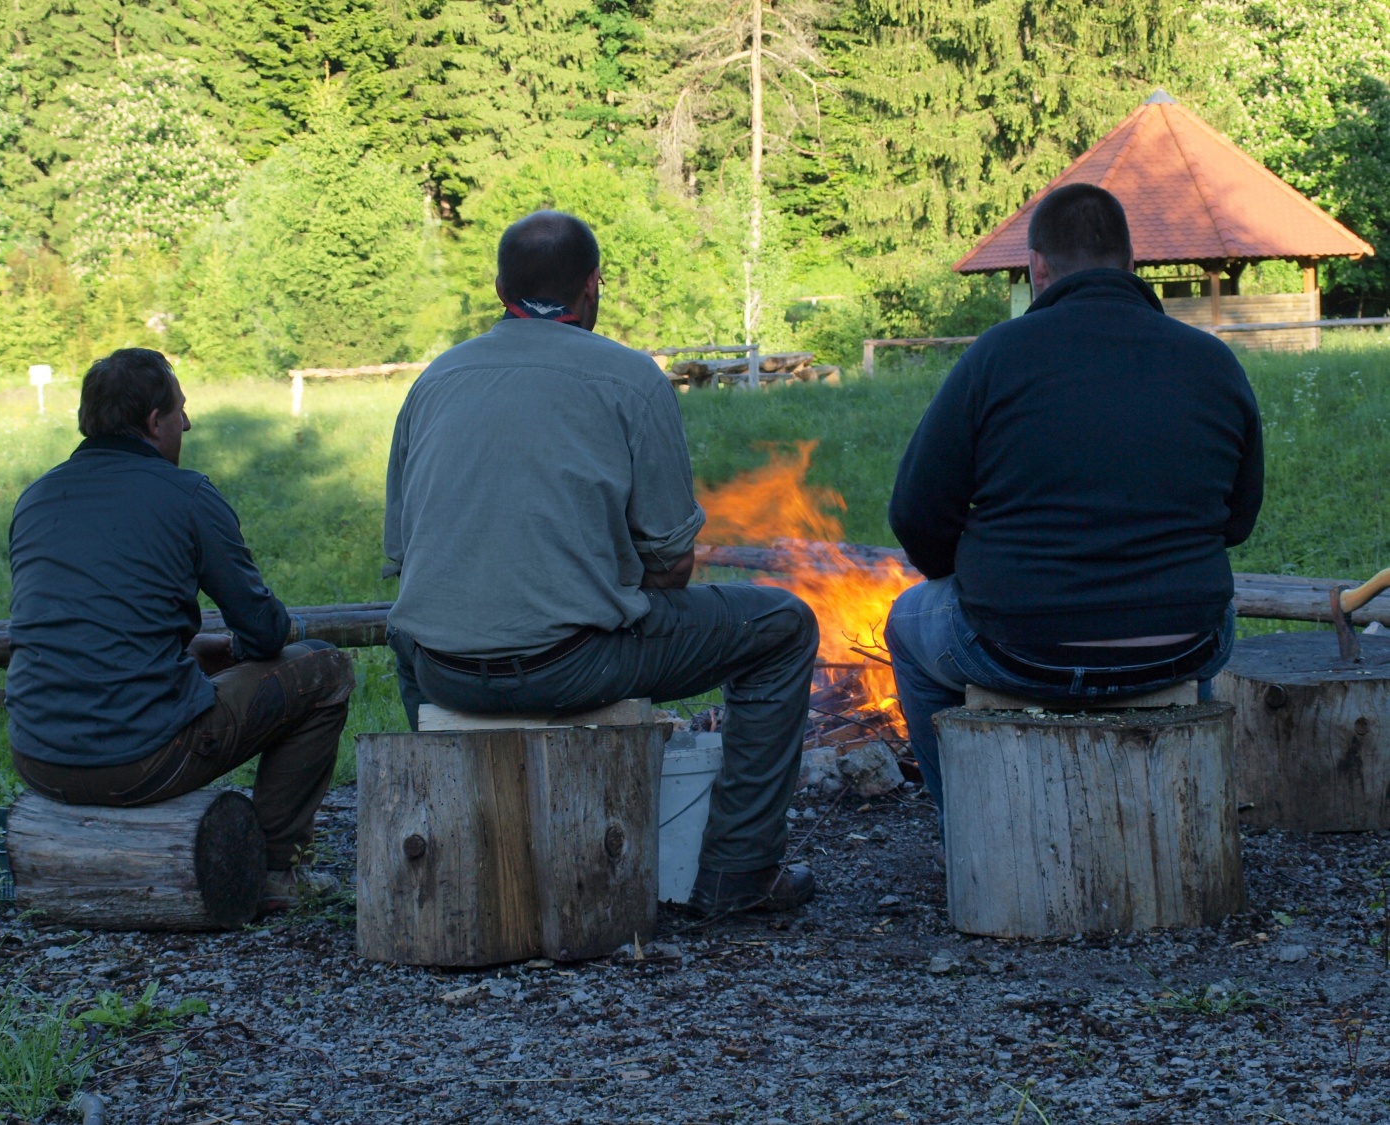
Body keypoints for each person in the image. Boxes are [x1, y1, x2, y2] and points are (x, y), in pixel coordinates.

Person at [382, 211, 820, 917]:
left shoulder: (434, 380)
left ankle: (452, 840)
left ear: (499, 289)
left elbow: (406, 557)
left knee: (406, 632)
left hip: (443, 670)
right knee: (784, 626)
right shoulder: (630, 377)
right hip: (573, 663)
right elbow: (672, 564)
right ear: (592, 287)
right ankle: (738, 873)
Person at [885, 183, 1264, 824]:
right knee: (1204, 618)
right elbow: (1239, 519)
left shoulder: (996, 355)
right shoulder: (1213, 361)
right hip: (1184, 643)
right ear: (1133, 262)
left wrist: (966, 572)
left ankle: (967, 834)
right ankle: (1172, 820)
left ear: (1038, 267)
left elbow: (916, 512)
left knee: (905, 622)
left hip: (1016, 645)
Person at [6, 348, 356, 910]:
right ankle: (276, 870)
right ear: (154, 421)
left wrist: (186, 652)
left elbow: (84, 623)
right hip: (141, 760)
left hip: (36, 756)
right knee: (325, 668)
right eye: (180, 410)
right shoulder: (187, 494)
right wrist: (258, 642)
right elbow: (265, 635)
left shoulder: (36, 496)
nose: (187, 424)